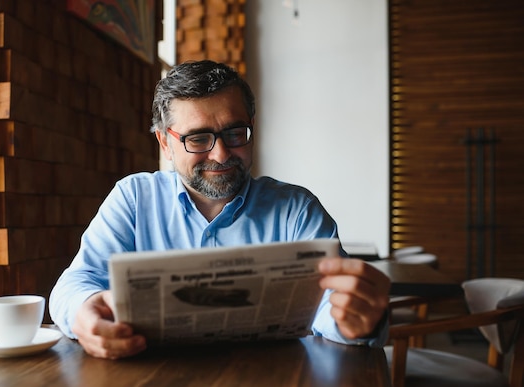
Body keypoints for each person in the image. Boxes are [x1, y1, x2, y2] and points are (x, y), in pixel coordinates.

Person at [49, 60, 391, 359]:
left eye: (235, 133)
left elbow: (331, 303)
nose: (221, 154)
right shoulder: (133, 198)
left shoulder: (295, 210)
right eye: (198, 139)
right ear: (165, 143)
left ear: (252, 128)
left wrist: (354, 319)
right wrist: (82, 312)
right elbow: (76, 282)